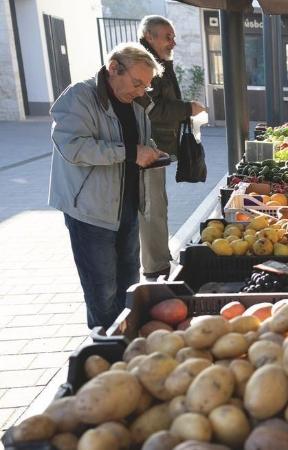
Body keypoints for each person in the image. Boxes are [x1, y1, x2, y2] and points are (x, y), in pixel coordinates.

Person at [48, 43, 166, 328]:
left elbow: (133, 143)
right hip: (90, 211)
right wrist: (129, 152)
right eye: (137, 83)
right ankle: (104, 349)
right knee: (102, 291)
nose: (140, 91)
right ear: (114, 68)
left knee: (129, 284)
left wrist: (150, 152)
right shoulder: (79, 96)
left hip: (126, 206)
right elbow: (73, 147)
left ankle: (127, 341)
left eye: (146, 86)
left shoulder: (135, 104)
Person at [136, 15, 207, 279]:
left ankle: (158, 258)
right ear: (150, 36)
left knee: (157, 203)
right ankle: (156, 265)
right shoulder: (144, 64)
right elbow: (152, 109)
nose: (173, 42)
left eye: (174, 37)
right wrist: (187, 108)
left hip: (156, 148)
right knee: (152, 205)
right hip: (148, 147)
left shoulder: (157, 61)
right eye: (168, 37)